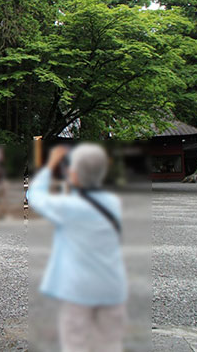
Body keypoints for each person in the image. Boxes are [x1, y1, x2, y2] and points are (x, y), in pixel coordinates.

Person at [27, 144, 127, 352]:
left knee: (76, 344)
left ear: (75, 174)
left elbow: (34, 197)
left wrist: (51, 164)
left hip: (79, 291)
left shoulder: (70, 207)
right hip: (112, 287)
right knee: (109, 344)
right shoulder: (113, 202)